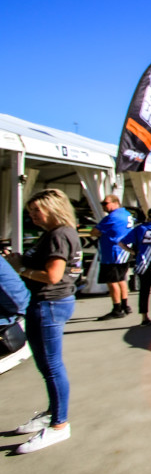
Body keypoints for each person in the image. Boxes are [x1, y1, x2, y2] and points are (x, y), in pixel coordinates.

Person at [3, 189, 82, 453]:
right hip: (51, 302)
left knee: (51, 366)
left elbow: (53, 276)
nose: (33, 216)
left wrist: (21, 269)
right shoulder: (58, 233)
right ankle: (53, 413)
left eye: (37, 210)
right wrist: (21, 261)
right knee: (48, 365)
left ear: (53, 208)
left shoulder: (59, 234)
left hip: (50, 303)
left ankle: (59, 424)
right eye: (30, 212)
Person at [91, 194, 135, 321]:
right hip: (124, 251)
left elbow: (94, 232)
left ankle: (117, 308)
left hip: (113, 253)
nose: (103, 206)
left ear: (115, 203)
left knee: (112, 281)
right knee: (121, 279)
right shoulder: (126, 213)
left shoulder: (112, 217)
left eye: (105, 203)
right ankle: (125, 305)